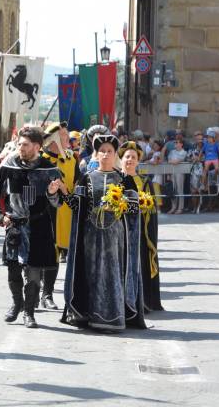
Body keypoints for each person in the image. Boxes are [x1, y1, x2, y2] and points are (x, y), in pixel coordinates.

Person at [49, 134, 146, 332]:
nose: (105, 154)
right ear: (96, 154)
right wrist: (63, 191)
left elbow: (135, 210)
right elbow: (77, 206)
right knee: (91, 274)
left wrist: (122, 204)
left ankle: (114, 318)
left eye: (109, 151)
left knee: (112, 275)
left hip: (115, 238)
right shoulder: (86, 178)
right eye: (102, 151)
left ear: (114, 155)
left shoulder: (124, 179)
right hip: (90, 237)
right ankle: (90, 316)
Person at [0, 126, 60, 328]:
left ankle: (29, 312)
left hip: (39, 226)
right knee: (13, 269)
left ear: (37, 146)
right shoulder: (9, 165)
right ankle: (16, 302)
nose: (20, 147)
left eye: (25, 145)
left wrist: (53, 192)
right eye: (19, 144)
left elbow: (58, 202)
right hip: (15, 225)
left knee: (34, 272)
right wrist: (0, 217)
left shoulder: (49, 168)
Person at [119, 141, 163, 312]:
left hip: (139, 230)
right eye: (127, 157)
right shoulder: (115, 178)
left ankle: (141, 301)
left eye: (133, 157)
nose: (130, 160)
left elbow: (151, 210)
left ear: (138, 161)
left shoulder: (145, 181)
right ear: (121, 159)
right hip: (119, 230)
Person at [40, 122, 80, 307]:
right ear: (54, 139)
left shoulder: (73, 159)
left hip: (65, 213)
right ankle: (37, 292)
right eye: (64, 135)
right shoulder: (40, 160)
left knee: (55, 252)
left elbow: (78, 184)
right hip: (42, 213)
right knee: (44, 251)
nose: (68, 139)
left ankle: (47, 294)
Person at [167, 138, 187, 214]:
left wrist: (174, 161)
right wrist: (173, 162)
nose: (176, 144)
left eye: (177, 142)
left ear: (181, 144)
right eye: (175, 142)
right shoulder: (172, 152)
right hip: (172, 172)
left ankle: (180, 208)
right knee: (173, 190)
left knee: (179, 189)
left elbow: (178, 161)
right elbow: (169, 161)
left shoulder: (184, 152)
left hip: (180, 172)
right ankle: (173, 207)